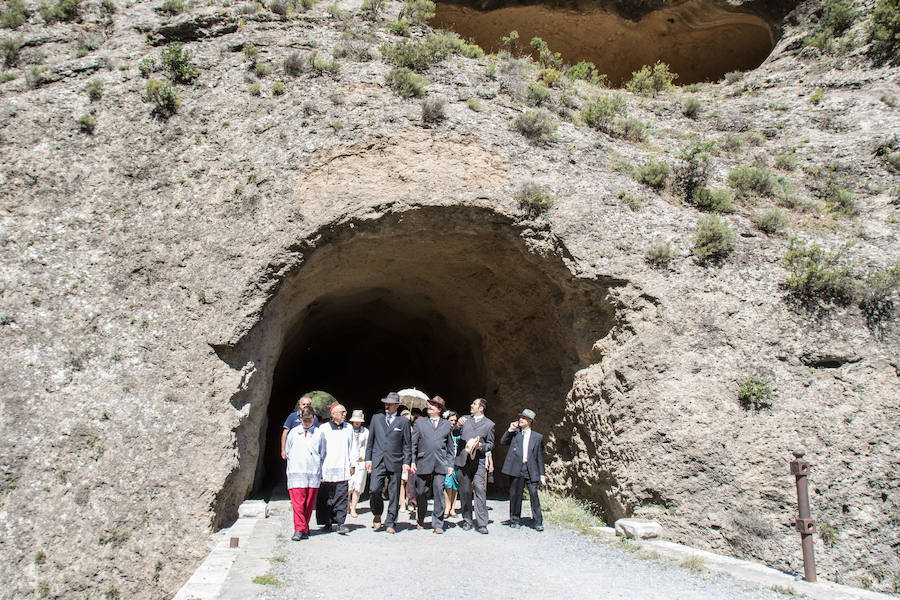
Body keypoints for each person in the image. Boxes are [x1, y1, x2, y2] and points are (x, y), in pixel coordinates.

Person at [364, 392, 411, 534]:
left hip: (396, 460)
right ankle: (377, 513)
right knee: (374, 489)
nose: (387, 405)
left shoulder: (403, 422)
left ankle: (391, 521)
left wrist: (406, 461)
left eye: (390, 404)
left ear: (397, 405)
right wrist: (368, 459)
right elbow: (370, 441)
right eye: (385, 403)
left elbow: (407, 444)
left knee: (394, 492)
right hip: (378, 460)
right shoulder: (376, 418)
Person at [410, 396, 454, 534]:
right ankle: (421, 518)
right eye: (430, 404)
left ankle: (438, 524)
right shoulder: (420, 423)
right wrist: (412, 460)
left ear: (439, 410)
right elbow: (413, 444)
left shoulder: (447, 425)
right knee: (421, 492)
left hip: (440, 463)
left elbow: (450, 447)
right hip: (423, 462)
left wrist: (450, 464)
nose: (430, 407)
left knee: (439, 492)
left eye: (433, 405)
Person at [500, 408, 546, 531]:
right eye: (520, 417)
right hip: (517, 468)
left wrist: (542, 473)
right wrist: (510, 429)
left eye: (524, 418)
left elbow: (539, 457)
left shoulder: (537, 437)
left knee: (533, 494)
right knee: (515, 494)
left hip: (531, 469)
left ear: (530, 421)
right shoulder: (515, 434)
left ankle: (538, 521)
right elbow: (503, 441)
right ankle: (514, 520)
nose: (520, 419)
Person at [453, 398, 495, 534]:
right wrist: (457, 426)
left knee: (480, 489)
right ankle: (467, 520)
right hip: (463, 460)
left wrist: (481, 446)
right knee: (464, 491)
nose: (471, 405)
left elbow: (491, 444)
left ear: (481, 408)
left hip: (479, 461)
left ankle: (482, 523)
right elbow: (454, 433)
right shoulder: (464, 420)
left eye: (474, 404)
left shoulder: (489, 424)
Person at [285, 406, 326, 541]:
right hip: (297, 471)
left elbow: (323, 452)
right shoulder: (294, 433)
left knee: (309, 503)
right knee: (298, 502)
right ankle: (298, 529)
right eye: (304, 420)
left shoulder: (319, 434)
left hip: (313, 471)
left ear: (313, 418)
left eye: (309, 420)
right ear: (300, 419)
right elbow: (288, 450)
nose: (307, 422)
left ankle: (304, 527)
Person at [316, 403, 357, 535]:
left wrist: (352, 464)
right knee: (326, 496)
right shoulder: (323, 429)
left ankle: (340, 523)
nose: (345, 414)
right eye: (342, 412)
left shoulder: (348, 428)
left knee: (341, 496)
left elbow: (353, 447)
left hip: (342, 466)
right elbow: (319, 447)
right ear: (333, 414)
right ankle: (326, 522)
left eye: (345, 412)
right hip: (327, 467)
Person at [281, 395, 318, 460]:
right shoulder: (292, 416)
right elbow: (285, 434)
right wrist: (283, 450)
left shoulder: (314, 418)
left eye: (308, 404)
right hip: (295, 449)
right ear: (299, 405)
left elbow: (317, 435)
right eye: (303, 404)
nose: (305, 406)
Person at [347, 410, 369, 518]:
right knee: (348, 486)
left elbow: (368, 446)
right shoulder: (347, 430)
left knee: (358, 485)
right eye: (355, 421)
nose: (357, 423)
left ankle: (354, 508)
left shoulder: (365, 432)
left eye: (358, 421)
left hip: (361, 461)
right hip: (349, 461)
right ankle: (347, 505)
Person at [442, 411, 460, 518]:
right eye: (451, 420)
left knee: (455, 485)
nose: (453, 423)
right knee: (447, 483)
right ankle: (447, 507)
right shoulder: (444, 431)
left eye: (455, 421)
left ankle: (453, 508)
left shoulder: (458, 432)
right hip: (447, 460)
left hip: (457, 461)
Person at [399, 409, 413, 514]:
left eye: (408, 415)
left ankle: (410, 501)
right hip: (401, 457)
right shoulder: (399, 428)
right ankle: (402, 503)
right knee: (402, 481)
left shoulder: (413, 429)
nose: (406, 417)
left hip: (411, 457)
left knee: (411, 482)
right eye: (404, 415)